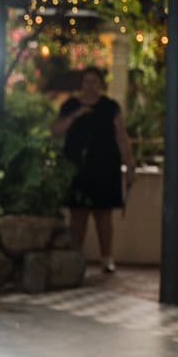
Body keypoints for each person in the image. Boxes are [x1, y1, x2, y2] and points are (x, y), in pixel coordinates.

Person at [49, 66, 134, 275]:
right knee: (78, 215)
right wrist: (76, 115)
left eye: (94, 82)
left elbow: (121, 136)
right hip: (77, 167)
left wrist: (129, 163)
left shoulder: (110, 106)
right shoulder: (70, 105)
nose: (90, 86)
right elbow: (55, 131)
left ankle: (107, 258)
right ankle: (77, 258)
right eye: (86, 82)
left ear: (100, 84)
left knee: (103, 215)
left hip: (105, 166)